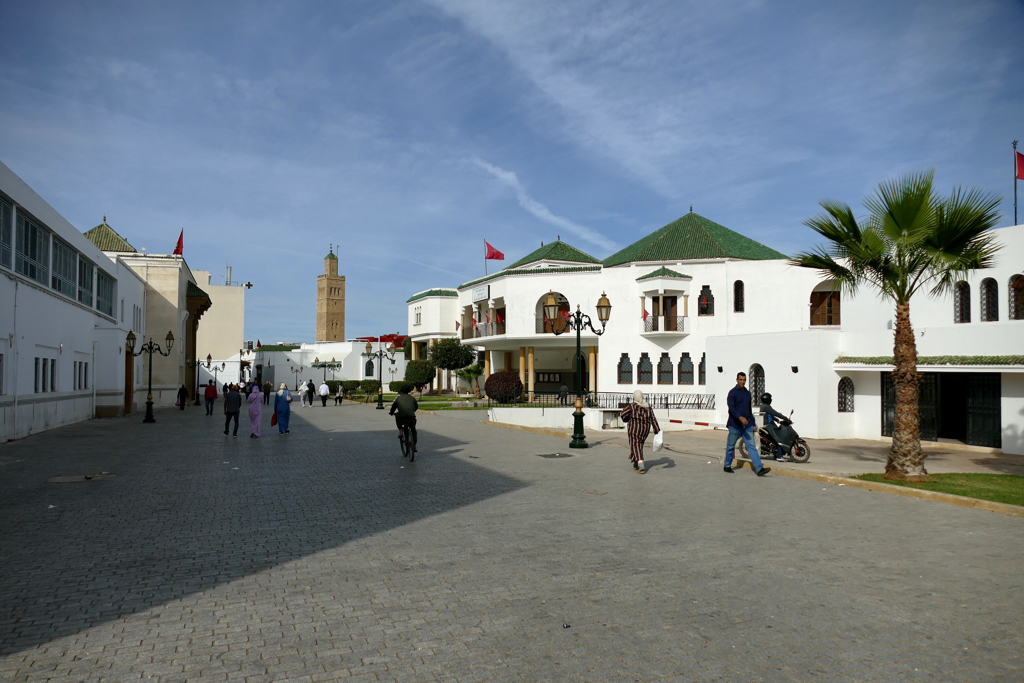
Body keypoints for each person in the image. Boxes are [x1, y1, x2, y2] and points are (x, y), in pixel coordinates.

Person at [724, 372, 771, 476]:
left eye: (744, 380)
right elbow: (731, 408)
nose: (742, 382)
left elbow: (749, 410)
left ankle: (759, 469)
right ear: (737, 380)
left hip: (747, 426)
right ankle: (727, 465)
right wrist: (740, 417)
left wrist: (753, 423)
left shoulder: (747, 393)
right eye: (740, 380)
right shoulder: (732, 393)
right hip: (735, 425)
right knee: (731, 446)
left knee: (751, 446)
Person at [619, 389, 660, 473]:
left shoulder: (632, 406)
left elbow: (623, 415)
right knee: (639, 445)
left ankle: (640, 464)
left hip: (635, 429)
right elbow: (653, 419)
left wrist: (627, 419)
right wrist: (657, 430)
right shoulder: (648, 407)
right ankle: (635, 462)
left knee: (635, 445)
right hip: (645, 430)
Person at [759, 392, 789, 461]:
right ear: (768, 399)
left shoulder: (765, 406)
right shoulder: (765, 406)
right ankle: (779, 455)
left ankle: (777, 453)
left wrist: (778, 421)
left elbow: (771, 415)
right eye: (770, 398)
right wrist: (785, 418)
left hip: (770, 424)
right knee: (779, 437)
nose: (771, 400)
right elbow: (775, 413)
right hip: (768, 425)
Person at [389, 384, 418, 453]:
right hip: (411, 417)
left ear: (401, 391)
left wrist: (391, 412)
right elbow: (416, 407)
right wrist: (412, 411)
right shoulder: (412, 398)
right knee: (413, 430)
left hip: (402, 417)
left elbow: (394, 407)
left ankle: (401, 430)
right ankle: (414, 446)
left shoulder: (398, 398)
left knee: (397, 416)